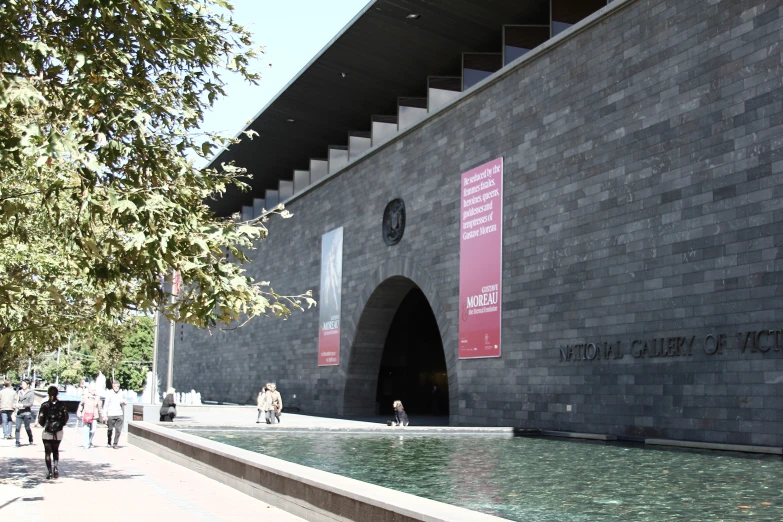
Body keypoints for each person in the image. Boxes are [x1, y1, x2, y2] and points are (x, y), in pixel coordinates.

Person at [38, 385, 69, 479]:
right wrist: (61, 425)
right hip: (58, 431)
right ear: (57, 393)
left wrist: (44, 425)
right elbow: (66, 417)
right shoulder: (62, 405)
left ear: (48, 393)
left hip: (47, 430)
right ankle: (55, 467)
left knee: (47, 452)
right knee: (55, 450)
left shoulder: (44, 405)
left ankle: (49, 471)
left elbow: (41, 417)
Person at [77, 383, 103, 448]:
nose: (94, 391)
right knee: (86, 430)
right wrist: (79, 412)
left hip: (94, 416)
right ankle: (86, 444)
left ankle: (89, 441)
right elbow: (81, 404)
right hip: (86, 415)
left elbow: (100, 407)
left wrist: (102, 415)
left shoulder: (97, 397)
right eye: (92, 390)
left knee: (93, 430)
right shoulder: (85, 397)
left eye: (94, 390)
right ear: (89, 390)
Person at [103, 380, 127, 448]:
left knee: (118, 430)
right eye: (115, 386)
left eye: (117, 386)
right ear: (113, 386)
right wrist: (104, 415)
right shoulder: (109, 394)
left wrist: (124, 402)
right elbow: (106, 405)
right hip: (111, 414)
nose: (116, 388)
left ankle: (115, 443)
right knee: (110, 429)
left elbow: (124, 400)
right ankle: (109, 441)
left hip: (119, 414)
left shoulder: (121, 393)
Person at [15, 380, 35, 446]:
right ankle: (17, 442)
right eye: (22, 384)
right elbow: (16, 400)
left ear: (28, 385)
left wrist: (22, 405)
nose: (22, 385)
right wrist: (16, 406)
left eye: (24, 384)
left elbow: (31, 403)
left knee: (27, 428)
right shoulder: (19, 392)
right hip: (19, 412)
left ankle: (31, 439)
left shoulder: (31, 393)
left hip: (27, 413)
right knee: (17, 427)